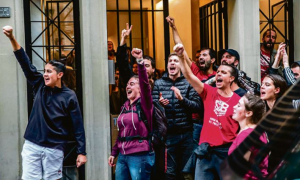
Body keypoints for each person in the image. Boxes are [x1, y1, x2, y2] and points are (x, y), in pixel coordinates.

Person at [3, 26, 87, 180]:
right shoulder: (39, 84)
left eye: (49, 71)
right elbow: (24, 61)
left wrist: (81, 152)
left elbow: (77, 125)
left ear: (60, 75)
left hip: (54, 149)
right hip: (32, 145)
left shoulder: (69, 96)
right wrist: (11, 37)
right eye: (45, 71)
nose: (45, 74)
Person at [173, 43, 240, 180]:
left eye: (224, 72)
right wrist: (180, 56)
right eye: (218, 72)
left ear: (231, 78)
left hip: (226, 153)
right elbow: (189, 76)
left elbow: (243, 128)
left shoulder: (239, 101)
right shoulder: (209, 92)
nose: (219, 74)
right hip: (205, 152)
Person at [152, 52, 203, 180]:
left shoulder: (188, 83)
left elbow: (198, 106)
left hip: (186, 134)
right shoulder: (158, 83)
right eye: (170, 61)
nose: (173, 63)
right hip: (168, 135)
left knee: (186, 172)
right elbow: (152, 109)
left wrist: (182, 99)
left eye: (176, 61)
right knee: (169, 173)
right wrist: (159, 104)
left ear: (181, 65)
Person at [108, 48, 155, 180]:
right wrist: (114, 153)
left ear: (140, 88)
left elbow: (145, 84)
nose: (128, 86)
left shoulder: (145, 104)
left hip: (139, 155)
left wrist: (140, 61)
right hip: (123, 155)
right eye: (128, 84)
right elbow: (121, 133)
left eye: (132, 84)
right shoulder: (125, 106)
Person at [229, 93, 268, 179]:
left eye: (239, 105)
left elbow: (239, 167)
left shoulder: (246, 135)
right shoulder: (257, 131)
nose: (234, 107)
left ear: (248, 113)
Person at [166, 16, 216, 82]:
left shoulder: (218, 75)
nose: (200, 57)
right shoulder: (196, 71)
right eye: (200, 55)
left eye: (204, 55)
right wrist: (173, 27)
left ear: (212, 60)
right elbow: (180, 46)